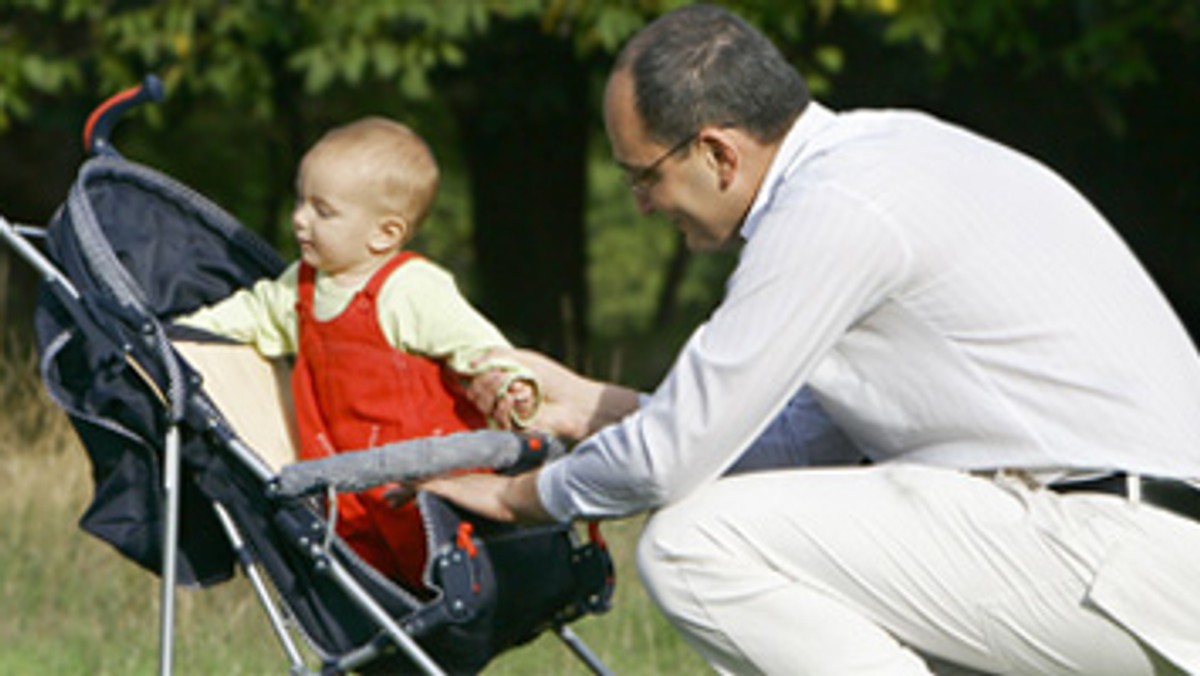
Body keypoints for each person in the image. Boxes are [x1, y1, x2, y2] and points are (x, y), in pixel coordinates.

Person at [424, 4, 1200, 674]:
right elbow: (799, 444)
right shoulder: (883, 157)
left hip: (1124, 551)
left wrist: (517, 498)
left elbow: (669, 465)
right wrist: (593, 405)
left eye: (643, 177)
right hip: (1126, 539)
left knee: (694, 545)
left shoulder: (832, 211)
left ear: (718, 152)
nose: (641, 206)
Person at [178, 116, 539, 595]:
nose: (299, 219)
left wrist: (508, 382)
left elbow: (475, 343)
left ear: (385, 234)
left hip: (426, 486)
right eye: (300, 200)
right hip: (342, 488)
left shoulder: (410, 288)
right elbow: (249, 314)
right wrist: (180, 335)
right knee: (368, 595)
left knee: (437, 582)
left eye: (322, 211)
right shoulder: (300, 288)